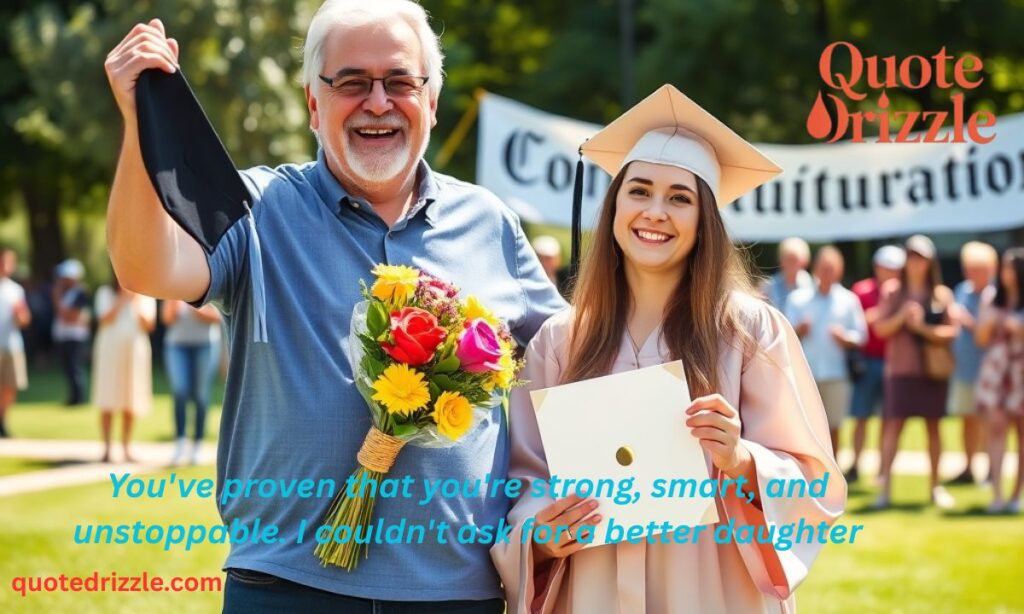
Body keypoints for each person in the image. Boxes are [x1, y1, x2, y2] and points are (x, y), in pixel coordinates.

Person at [104, 2, 564, 611]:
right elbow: (145, 268)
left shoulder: (491, 222)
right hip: (286, 585)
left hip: (456, 592)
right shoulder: (257, 207)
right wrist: (141, 122)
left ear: (430, 102)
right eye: (351, 82)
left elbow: (572, 356)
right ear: (313, 104)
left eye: (400, 82)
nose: (378, 101)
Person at [491, 85, 845, 613]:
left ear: (705, 220)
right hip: (592, 586)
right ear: (613, 206)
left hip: (713, 590)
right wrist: (541, 536)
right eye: (639, 191)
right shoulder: (560, 342)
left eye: (680, 197)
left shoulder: (749, 332)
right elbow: (527, 481)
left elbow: (814, 482)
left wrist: (742, 458)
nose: (655, 211)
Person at [872, 235, 957, 510]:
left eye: (920, 256)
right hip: (900, 370)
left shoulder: (941, 294)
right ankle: (885, 489)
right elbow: (880, 329)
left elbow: (951, 332)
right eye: (910, 256)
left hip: (932, 371)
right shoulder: (892, 291)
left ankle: (935, 488)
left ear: (929, 261)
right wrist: (902, 318)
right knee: (893, 427)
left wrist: (921, 328)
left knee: (934, 427)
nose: (915, 262)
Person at [785, 246, 866, 455]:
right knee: (806, 427)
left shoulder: (848, 300)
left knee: (834, 425)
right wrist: (799, 330)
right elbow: (783, 334)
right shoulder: (798, 298)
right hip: (806, 374)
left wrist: (845, 338)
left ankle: (833, 473)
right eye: (823, 268)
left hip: (836, 373)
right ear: (815, 269)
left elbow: (861, 336)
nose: (827, 273)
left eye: (831, 269)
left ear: (839, 271)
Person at [846, 245, 905, 483]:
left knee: (888, 418)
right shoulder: (861, 291)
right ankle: (856, 464)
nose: (888, 272)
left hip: (894, 361)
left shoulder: (903, 292)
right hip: (868, 360)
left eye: (893, 268)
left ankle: (883, 469)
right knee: (861, 415)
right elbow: (858, 322)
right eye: (885, 267)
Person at [975, 247, 1024, 514]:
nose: (1005, 273)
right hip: (997, 370)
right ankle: (997, 493)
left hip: (1021, 371)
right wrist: (989, 322)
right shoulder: (992, 298)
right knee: (995, 429)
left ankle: (1017, 495)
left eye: (1009, 267)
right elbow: (981, 339)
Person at [947, 241, 998, 485]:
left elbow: (986, 335)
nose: (971, 274)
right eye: (968, 268)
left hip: (990, 370)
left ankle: (991, 469)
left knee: (989, 421)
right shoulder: (961, 291)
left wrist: (966, 321)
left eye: (977, 268)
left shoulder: (996, 295)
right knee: (966, 418)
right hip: (963, 367)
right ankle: (968, 468)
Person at [93, 278, 156, 463]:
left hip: (135, 350)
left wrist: (134, 300)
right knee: (108, 396)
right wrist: (122, 299)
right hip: (110, 349)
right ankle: (106, 448)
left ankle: (126, 447)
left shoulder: (144, 295)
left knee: (131, 398)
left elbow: (149, 325)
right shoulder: (104, 292)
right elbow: (104, 319)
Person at [162, 300, 222, 466]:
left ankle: (197, 445)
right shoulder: (174, 287)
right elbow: (167, 318)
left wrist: (192, 307)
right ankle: (180, 443)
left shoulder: (211, 283)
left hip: (205, 345)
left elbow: (217, 317)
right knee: (180, 391)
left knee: (200, 395)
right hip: (176, 345)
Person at [0, 248, 31, 437]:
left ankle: (2, 421)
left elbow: (25, 319)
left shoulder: (16, 290)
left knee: (11, 386)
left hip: (12, 344)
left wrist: (21, 317)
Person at [51, 259, 91, 406]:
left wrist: (57, 299)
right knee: (68, 368)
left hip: (75, 336)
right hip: (64, 335)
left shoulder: (80, 293)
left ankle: (78, 398)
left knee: (75, 367)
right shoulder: (66, 293)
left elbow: (71, 317)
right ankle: (73, 397)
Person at [762, 237, 812, 310]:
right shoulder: (769, 286)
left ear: (804, 261)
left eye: (795, 259)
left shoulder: (811, 285)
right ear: (781, 260)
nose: (791, 264)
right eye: (788, 259)